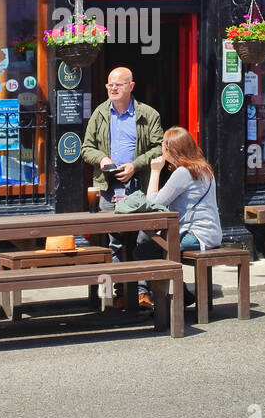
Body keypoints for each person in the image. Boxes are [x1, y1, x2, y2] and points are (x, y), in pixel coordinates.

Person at [81, 66, 164, 306]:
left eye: (118, 84)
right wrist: (102, 159)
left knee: (143, 238)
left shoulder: (148, 114)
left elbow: (160, 148)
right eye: (110, 85)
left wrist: (135, 166)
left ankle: (141, 292)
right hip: (108, 186)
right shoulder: (99, 114)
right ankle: (117, 294)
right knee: (114, 241)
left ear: (131, 86)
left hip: (138, 185)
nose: (113, 88)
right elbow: (86, 148)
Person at [135, 126, 223, 306]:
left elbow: (155, 202)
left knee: (149, 246)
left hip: (196, 235)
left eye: (164, 147)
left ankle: (154, 298)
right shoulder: (204, 168)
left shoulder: (184, 173)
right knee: (151, 243)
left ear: (173, 150)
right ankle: (179, 295)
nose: (162, 151)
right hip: (210, 233)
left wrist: (155, 171)